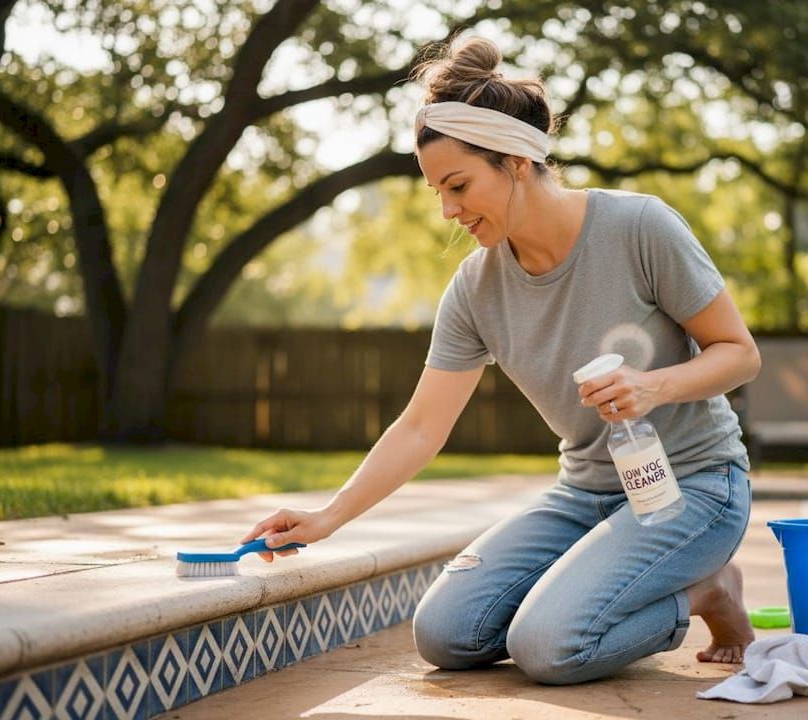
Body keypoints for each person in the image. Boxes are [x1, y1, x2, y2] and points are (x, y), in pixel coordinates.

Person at [242, 37, 761, 686]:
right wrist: (327, 517)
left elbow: (739, 354)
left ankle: (706, 591)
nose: (448, 211)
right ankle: (607, 586)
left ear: (516, 160)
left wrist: (654, 386)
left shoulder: (639, 229)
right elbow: (421, 426)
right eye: (437, 191)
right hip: (585, 493)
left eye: (458, 185)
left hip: (695, 484)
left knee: (549, 647)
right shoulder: (475, 287)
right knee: (446, 633)